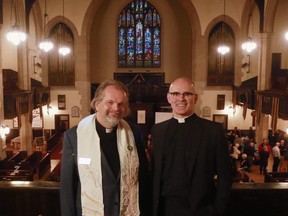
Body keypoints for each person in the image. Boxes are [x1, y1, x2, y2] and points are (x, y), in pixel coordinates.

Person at [60, 79, 152, 216]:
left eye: (120, 104)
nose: (116, 108)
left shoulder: (134, 133)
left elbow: (143, 177)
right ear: (97, 104)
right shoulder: (74, 136)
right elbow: (67, 187)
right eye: (110, 102)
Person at [150, 77, 232, 216]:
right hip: (165, 210)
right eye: (176, 94)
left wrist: (217, 210)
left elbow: (225, 175)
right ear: (169, 98)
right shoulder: (158, 131)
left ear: (195, 98)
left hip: (201, 210)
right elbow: (154, 173)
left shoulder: (213, 131)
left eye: (187, 94)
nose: (181, 98)